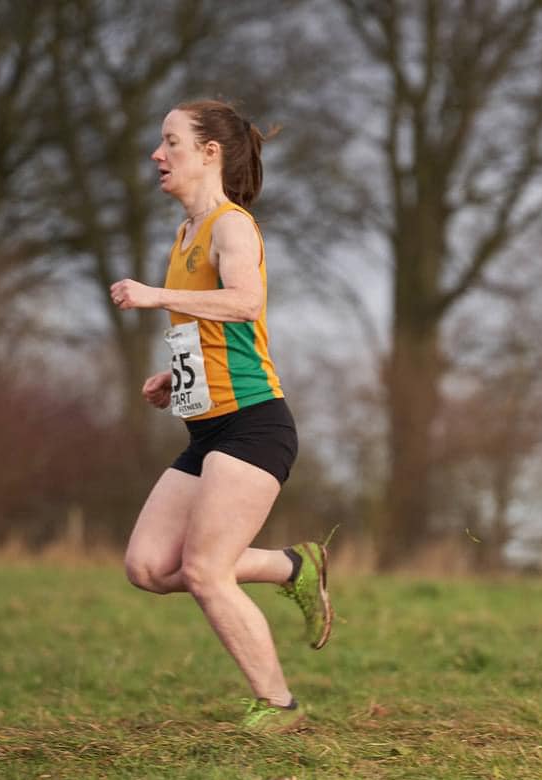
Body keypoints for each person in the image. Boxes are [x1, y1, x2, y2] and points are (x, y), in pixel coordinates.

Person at [110, 100, 333, 732]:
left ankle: (279, 706)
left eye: (170, 142)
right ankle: (295, 567)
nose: (158, 154)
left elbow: (244, 301)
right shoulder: (184, 236)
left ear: (210, 153)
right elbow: (208, 331)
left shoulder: (233, 226)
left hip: (255, 425)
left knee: (206, 572)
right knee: (149, 567)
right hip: (205, 428)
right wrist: (175, 379)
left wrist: (155, 296)